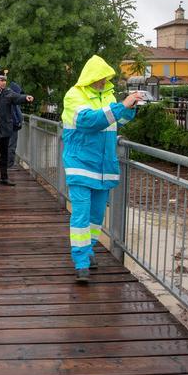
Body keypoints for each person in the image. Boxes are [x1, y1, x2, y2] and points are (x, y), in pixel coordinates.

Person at [61, 55, 141, 284]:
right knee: (81, 214)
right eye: (100, 78)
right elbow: (89, 122)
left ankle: (87, 249)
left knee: (96, 216)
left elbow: (114, 123)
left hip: (104, 166)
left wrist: (130, 110)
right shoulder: (74, 95)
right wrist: (120, 107)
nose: (103, 82)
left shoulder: (109, 95)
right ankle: (81, 264)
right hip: (80, 164)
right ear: (91, 77)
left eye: (106, 78)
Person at [0, 72, 33, 185]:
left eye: (4, 80)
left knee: (4, 154)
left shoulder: (8, 92)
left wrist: (26, 97)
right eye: (1, 80)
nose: (3, 82)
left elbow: (17, 97)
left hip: (5, 128)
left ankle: (4, 178)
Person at [7, 81, 25, 168]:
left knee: (9, 145)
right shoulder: (12, 101)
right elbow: (13, 114)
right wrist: (18, 122)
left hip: (9, 126)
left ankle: (9, 163)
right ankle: (10, 164)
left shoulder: (9, 97)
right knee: (11, 145)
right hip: (13, 126)